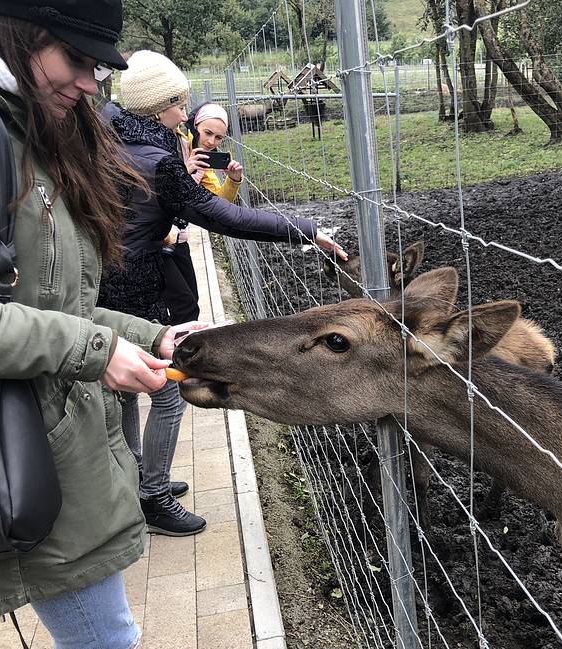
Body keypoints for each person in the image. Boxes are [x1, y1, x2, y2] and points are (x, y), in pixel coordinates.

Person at [0, 1, 203, 646]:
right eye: (77, 59)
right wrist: (91, 348)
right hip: (22, 447)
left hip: (60, 442)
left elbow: (44, 300)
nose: (90, 82)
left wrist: (148, 336)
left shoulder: (20, 124)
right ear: (19, 34)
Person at [97, 50, 347, 537]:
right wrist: (305, 229)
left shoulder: (112, 141)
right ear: (161, 105)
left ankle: (132, 481)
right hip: (135, 287)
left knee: (124, 391)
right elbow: (228, 217)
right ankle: (152, 496)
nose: (185, 112)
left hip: (106, 284)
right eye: (179, 102)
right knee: (167, 391)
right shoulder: (159, 161)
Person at [161, 101, 244, 324]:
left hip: (178, 236)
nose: (211, 142)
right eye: (207, 133)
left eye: (218, 138)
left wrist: (234, 179)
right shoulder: (176, 144)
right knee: (184, 305)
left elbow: (219, 203)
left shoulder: (202, 160)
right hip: (157, 235)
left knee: (191, 299)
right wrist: (185, 170)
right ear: (194, 125)